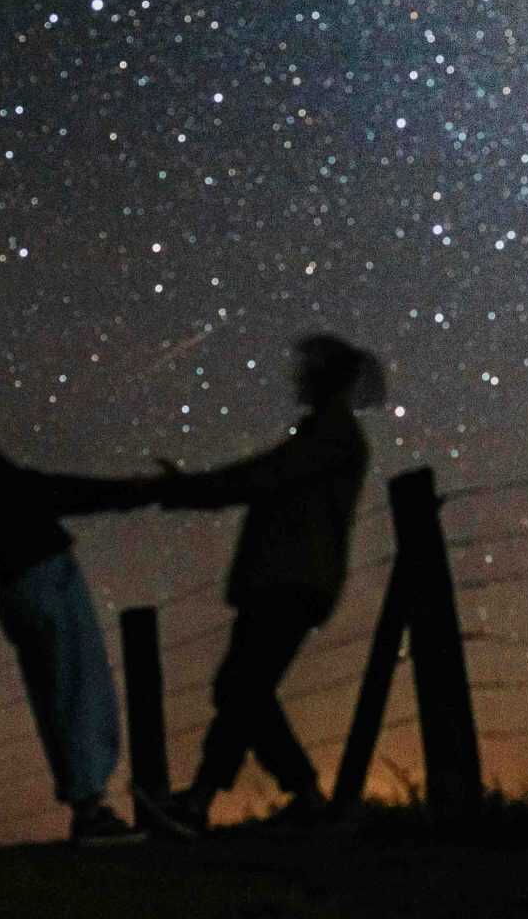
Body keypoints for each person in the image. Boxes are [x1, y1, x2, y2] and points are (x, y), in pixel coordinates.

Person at [0, 391, 164, 845]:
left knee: (57, 700)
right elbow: (54, 492)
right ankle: (92, 814)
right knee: (80, 695)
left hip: (18, 591)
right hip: (47, 582)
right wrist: (138, 491)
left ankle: (88, 807)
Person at [140, 334, 384, 836]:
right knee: (243, 688)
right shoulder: (327, 434)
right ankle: (261, 799)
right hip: (289, 579)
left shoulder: (330, 436)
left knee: (241, 687)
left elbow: (260, 477)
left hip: (289, 579)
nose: (297, 376)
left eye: (307, 369)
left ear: (325, 377)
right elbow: (265, 477)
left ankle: (255, 800)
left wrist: (185, 489)